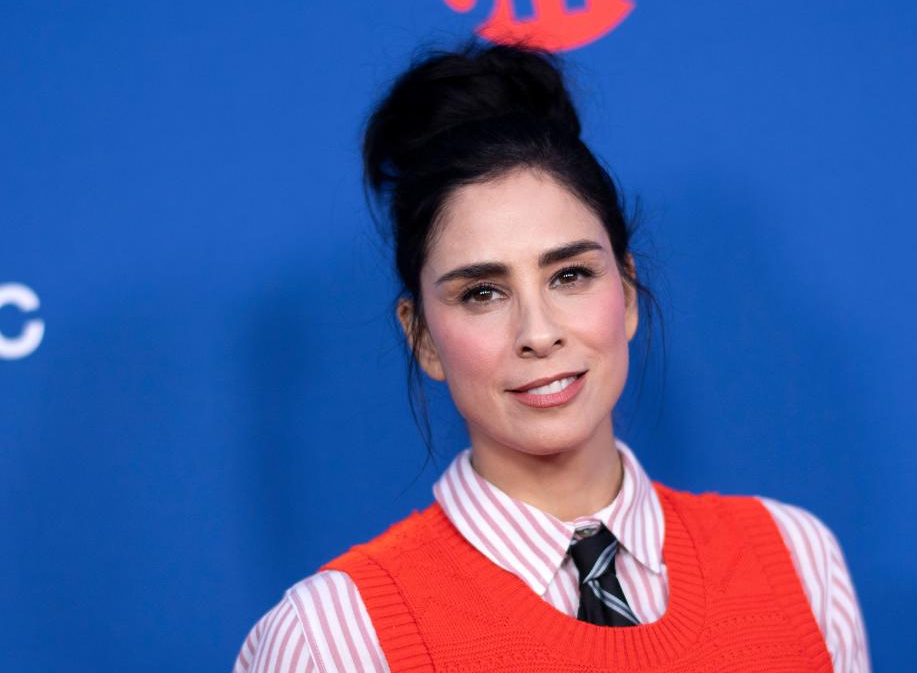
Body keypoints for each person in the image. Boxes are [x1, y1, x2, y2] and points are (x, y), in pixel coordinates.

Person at [233, 38, 870, 672]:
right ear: (422, 335)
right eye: (482, 292)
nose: (537, 333)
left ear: (626, 292)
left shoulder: (797, 561)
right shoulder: (332, 640)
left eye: (569, 276)